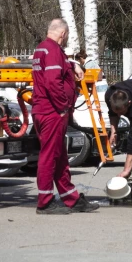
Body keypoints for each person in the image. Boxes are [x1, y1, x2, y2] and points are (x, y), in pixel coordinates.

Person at [31, 19, 99, 214]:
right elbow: (53, 82)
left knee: (59, 156)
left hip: (45, 110)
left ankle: (72, 198)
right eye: (67, 36)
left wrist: (73, 64)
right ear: (63, 34)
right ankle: (44, 201)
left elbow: (55, 67)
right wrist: (63, 107)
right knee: (50, 156)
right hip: (51, 112)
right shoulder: (52, 50)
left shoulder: (43, 49)